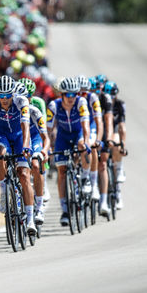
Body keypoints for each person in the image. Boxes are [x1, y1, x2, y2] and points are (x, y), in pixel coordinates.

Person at [0, 75, 36, 234]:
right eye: (1, 95)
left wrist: (26, 146)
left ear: (13, 94)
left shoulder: (22, 101)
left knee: (24, 175)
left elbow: (26, 127)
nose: (4, 99)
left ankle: (30, 219)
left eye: (8, 95)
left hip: (20, 136)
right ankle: (3, 191)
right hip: (1, 134)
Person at [47, 77, 92, 226]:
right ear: (62, 94)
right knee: (61, 172)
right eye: (69, 94)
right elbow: (48, 129)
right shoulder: (53, 105)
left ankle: (85, 179)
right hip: (63, 137)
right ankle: (65, 210)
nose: (72, 97)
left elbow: (86, 125)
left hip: (78, 134)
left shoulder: (81, 102)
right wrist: (47, 147)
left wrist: (87, 141)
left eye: (75, 94)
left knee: (82, 145)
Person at [14, 81, 50, 225]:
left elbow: (45, 136)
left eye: (27, 97)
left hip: (35, 137)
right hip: (19, 138)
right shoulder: (9, 110)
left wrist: (44, 150)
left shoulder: (35, 109)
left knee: (35, 165)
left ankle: (39, 206)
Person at [77, 75, 103, 202]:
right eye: (79, 93)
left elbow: (99, 121)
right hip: (77, 127)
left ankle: (92, 183)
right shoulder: (70, 99)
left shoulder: (93, 98)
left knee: (91, 147)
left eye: (84, 93)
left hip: (90, 126)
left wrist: (98, 139)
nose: (82, 96)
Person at [92, 76, 114, 217]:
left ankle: (104, 201)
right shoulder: (86, 98)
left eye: (98, 90)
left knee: (103, 163)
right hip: (90, 130)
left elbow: (109, 121)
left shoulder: (105, 98)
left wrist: (109, 138)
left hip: (103, 129)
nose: (95, 92)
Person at [104, 81, 127, 209]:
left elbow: (122, 126)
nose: (110, 98)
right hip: (103, 133)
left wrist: (122, 146)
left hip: (114, 132)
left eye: (112, 95)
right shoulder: (100, 103)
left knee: (117, 140)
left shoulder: (120, 104)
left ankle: (119, 170)